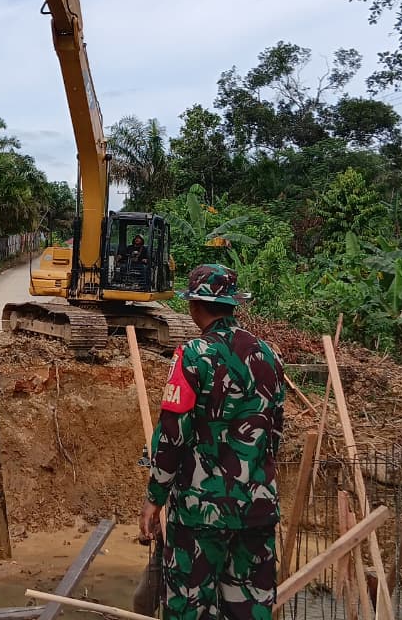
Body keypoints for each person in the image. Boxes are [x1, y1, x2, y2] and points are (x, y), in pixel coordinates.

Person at [139, 264, 286, 619]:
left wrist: (154, 498)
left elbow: (173, 436)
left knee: (190, 608)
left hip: (200, 514)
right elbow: (275, 435)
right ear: (233, 305)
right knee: (249, 610)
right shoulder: (269, 356)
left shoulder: (192, 356)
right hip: (257, 509)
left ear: (194, 306)